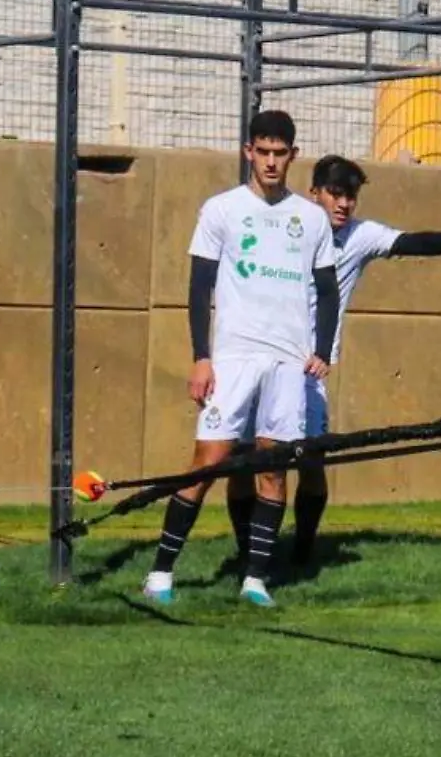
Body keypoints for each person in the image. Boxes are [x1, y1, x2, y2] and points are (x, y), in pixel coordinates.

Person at [221, 155, 441, 569]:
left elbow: (413, 242)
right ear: (315, 194)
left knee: (310, 459)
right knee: (241, 460)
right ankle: (245, 553)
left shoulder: (362, 237)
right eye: (336, 194)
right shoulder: (289, 224)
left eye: (351, 196)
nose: (344, 204)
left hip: (308, 372)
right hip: (257, 356)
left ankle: (302, 553)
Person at [141, 110, 339, 608]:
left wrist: (321, 351)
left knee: (273, 468)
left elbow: (328, 291)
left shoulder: (311, 217)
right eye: (263, 152)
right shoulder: (221, 210)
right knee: (207, 463)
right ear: (248, 151)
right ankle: (161, 573)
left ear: (293, 155)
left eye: (280, 153)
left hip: (287, 363)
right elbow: (198, 287)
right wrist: (201, 357)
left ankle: (256, 580)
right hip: (233, 358)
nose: (271, 162)